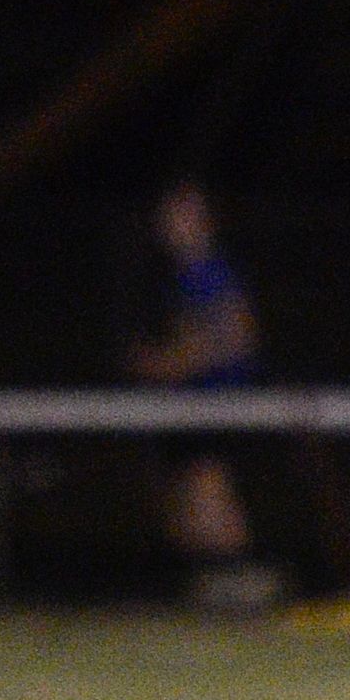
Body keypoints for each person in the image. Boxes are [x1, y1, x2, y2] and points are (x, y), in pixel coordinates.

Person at [127, 181, 279, 614]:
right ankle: (211, 585)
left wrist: (171, 365)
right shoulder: (174, 275)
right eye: (169, 216)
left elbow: (238, 336)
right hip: (188, 403)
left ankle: (245, 580)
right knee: (186, 495)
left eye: (184, 215)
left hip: (220, 400)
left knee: (208, 485)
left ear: (204, 221)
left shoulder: (210, 270)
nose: (173, 226)